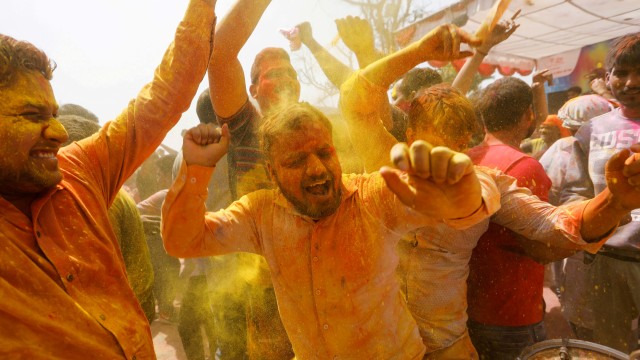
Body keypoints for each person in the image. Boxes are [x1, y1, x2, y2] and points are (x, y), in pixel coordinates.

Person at [338, 22, 639, 358]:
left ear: (466, 143)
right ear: (409, 137)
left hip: (446, 348)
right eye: (429, 146)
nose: (441, 161)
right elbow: (352, 99)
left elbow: (555, 224)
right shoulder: (384, 163)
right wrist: (419, 52)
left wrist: (612, 203)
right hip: (377, 346)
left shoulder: (488, 182)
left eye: (453, 148)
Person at [162, 100, 502, 359]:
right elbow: (183, 241)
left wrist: (461, 192)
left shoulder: (372, 196)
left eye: (324, 152)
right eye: (295, 162)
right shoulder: (260, 213)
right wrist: (196, 171)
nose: (316, 169)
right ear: (272, 171)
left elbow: (468, 200)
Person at [0, 0, 216, 357]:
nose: (57, 131)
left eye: (53, 114)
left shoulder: (79, 170)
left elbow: (164, 97)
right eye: (31, 115)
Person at [562, 32, 640, 353]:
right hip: (607, 261)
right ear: (607, 78)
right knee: (612, 349)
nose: (631, 81)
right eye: (621, 73)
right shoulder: (591, 130)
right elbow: (574, 196)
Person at [57, 113, 156, 323]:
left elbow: (100, 276)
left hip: (119, 316)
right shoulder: (111, 193)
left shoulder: (96, 197)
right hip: (133, 305)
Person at [539, 94, 614, 341]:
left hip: (578, 242)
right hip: (608, 246)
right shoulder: (621, 141)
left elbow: (544, 194)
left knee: (582, 316)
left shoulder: (563, 148)